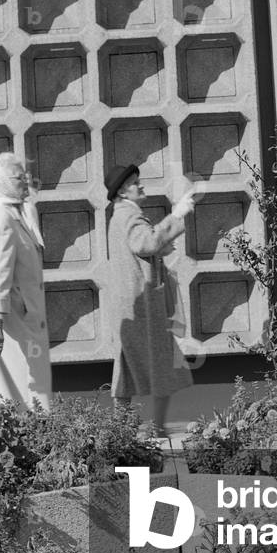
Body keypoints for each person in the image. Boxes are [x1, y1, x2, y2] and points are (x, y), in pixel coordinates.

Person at [106, 163, 197, 436]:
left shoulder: (121, 215)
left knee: (128, 366)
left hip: (132, 304)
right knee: (162, 365)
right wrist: (177, 215)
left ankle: (123, 430)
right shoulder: (129, 216)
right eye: (135, 183)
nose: (141, 186)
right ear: (122, 191)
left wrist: (159, 249)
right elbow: (145, 244)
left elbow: (142, 249)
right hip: (142, 305)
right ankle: (155, 428)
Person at [0, 152, 52, 410]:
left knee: (29, 382)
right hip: (12, 319)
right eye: (19, 178)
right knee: (22, 383)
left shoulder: (16, 214)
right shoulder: (0, 218)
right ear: (3, 182)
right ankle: (29, 440)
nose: (26, 182)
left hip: (21, 315)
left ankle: (36, 438)